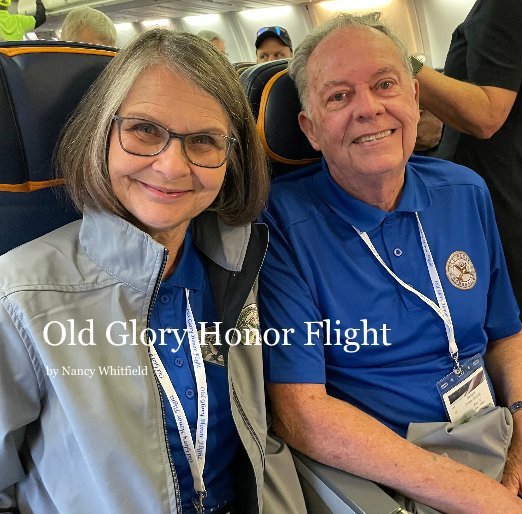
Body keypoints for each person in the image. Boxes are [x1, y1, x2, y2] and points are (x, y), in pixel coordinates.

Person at [0, 29, 306, 514]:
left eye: (204, 140)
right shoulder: (20, 297)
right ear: (101, 132)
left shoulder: (239, 263)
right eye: (144, 130)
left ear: (232, 158)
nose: (171, 166)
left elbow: (257, 440)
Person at [258, 13, 522, 513]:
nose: (369, 109)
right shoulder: (281, 223)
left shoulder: (463, 190)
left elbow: (508, 335)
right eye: (338, 96)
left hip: (491, 431)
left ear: (413, 96)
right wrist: (483, 499)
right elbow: (303, 414)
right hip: (381, 466)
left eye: (385, 85)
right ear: (310, 128)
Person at [415, 0, 522, 335]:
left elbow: (486, 115)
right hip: (518, 188)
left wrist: (398, 59)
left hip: (493, 197)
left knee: (497, 334)